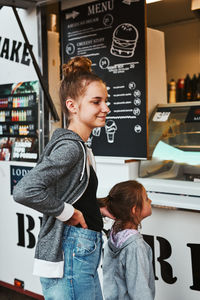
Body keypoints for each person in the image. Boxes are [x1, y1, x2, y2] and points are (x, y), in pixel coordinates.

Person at [13, 56, 111, 300]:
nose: (105, 108)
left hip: (79, 252)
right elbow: (24, 190)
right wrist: (71, 213)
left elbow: (69, 192)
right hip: (72, 252)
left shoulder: (77, 144)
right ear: (72, 106)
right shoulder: (71, 148)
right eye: (96, 102)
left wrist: (98, 207)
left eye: (105, 101)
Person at [101, 180, 155, 300]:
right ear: (134, 210)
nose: (150, 200)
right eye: (146, 198)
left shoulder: (113, 238)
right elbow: (139, 291)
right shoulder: (136, 247)